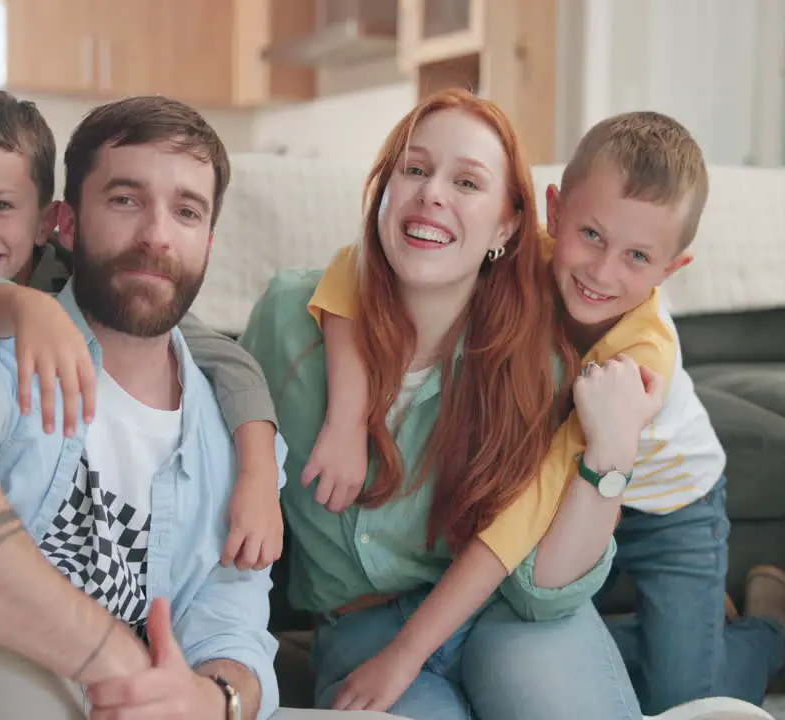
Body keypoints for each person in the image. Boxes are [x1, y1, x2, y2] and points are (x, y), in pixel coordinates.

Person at [298, 107, 785, 715]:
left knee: (677, 701)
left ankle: (771, 633)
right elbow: (354, 264)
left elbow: (527, 510)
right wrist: (346, 416)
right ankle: (677, 636)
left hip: (668, 506)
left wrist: (406, 653)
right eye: (591, 236)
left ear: (672, 269)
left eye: (637, 257)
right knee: (568, 641)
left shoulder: (637, 360)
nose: (601, 272)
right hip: (572, 505)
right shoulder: (518, 250)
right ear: (554, 212)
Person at [0, 94, 309, 720]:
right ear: (67, 223)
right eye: (125, 200)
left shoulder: (228, 432)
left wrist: (212, 699)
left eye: (186, 211)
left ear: (209, 242)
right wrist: (117, 662)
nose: (156, 236)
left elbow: (233, 626)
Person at [240, 88, 648, 720]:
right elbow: (196, 406)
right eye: (416, 169)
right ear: (385, 190)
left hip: (506, 614)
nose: (433, 192)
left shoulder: (542, 361)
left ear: (509, 225)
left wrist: (612, 456)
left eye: (467, 182)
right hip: (360, 628)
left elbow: (542, 592)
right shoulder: (291, 320)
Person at [0, 90, 284, 573]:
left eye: (1, 206)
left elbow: (224, 355)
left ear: (48, 223)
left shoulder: (75, 268)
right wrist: (23, 306)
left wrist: (259, 474)